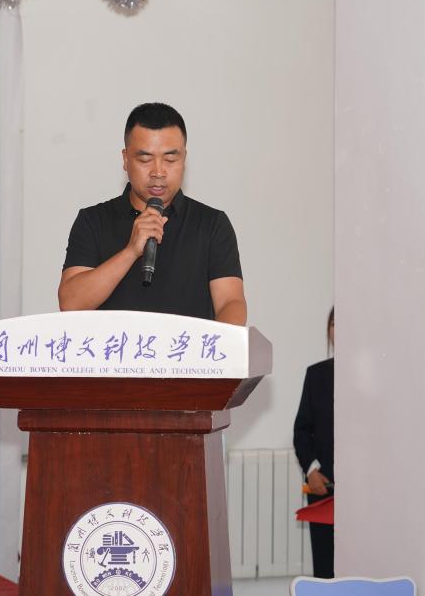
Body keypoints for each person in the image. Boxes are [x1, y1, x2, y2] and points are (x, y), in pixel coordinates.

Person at [58, 102, 247, 324]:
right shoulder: (93, 221)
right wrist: (130, 251)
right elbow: (71, 303)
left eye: (170, 159)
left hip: (186, 347)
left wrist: (217, 343)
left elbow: (231, 303)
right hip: (114, 347)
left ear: (184, 159)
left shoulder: (212, 224)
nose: (158, 172)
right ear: (125, 159)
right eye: (145, 159)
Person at [293, 306, 334, 578]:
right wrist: (311, 470)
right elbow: (301, 431)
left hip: (366, 493)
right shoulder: (316, 374)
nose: (339, 330)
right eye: (334, 324)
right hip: (323, 488)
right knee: (325, 570)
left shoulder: (374, 376)